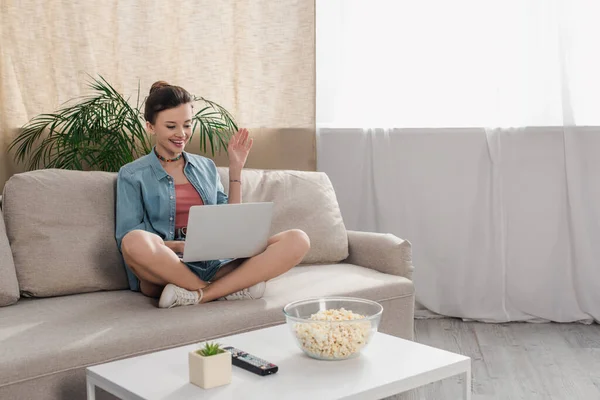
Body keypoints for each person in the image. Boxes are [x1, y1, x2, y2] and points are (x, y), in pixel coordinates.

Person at [115, 81, 310, 308]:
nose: (181, 134)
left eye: (187, 125)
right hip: (169, 265)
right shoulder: (132, 174)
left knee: (298, 239)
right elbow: (127, 237)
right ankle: (230, 288)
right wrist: (180, 247)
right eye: (171, 127)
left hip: (215, 261)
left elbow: (230, 220)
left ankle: (199, 295)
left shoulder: (205, 167)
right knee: (134, 241)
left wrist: (236, 168)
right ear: (150, 127)